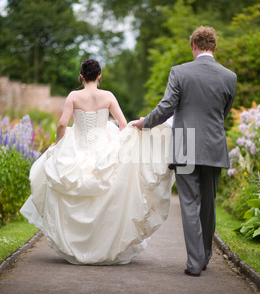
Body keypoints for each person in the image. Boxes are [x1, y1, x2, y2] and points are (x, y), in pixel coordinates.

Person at [20, 59, 174, 265]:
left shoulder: (74, 96)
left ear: (81, 76)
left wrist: (58, 145)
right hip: (104, 151)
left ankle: (78, 246)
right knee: (106, 198)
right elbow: (122, 124)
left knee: (73, 192)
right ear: (99, 76)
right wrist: (121, 146)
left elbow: (62, 124)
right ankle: (102, 246)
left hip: (79, 148)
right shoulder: (108, 96)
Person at [134, 26, 237, 277]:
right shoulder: (229, 76)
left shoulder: (180, 72)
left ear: (193, 45)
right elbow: (223, 112)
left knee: (189, 203)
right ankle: (205, 257)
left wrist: (145, 122)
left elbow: (167, 106)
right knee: (208, 203)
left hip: (185, 143)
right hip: (213, 145)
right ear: (214, 46)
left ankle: (194, 263)